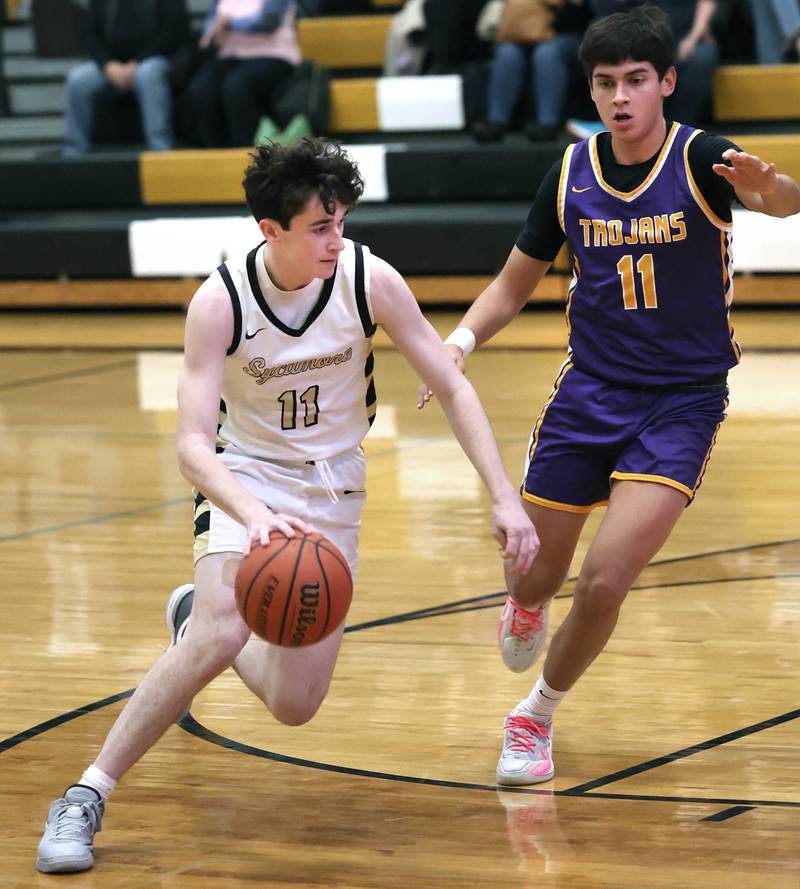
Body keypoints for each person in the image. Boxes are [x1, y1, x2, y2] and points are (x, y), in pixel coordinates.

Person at [34, 137, 539, 874]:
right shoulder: (220, 302)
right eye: (320, 227)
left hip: (334, 488)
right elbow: (193, 447)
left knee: (296, 703)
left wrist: (504, 497)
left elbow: (454, 386)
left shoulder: (369, 277)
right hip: (247, 476)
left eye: (342, 222)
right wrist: (253, 510)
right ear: (270, 230)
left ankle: (191, 611)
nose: (338, 239)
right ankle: (86, 793)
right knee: (220, 629)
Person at [420, 3, 800, 786]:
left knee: (606, 577)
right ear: (590, 92)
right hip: (587, 394)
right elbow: (511, 284)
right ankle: (526, 603)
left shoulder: (701, 159)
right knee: (533, 570)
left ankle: (535, 715)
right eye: (604, 84)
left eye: (636, 80)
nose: (621, 96)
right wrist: (454, 347)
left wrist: (775, 189)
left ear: (667, 82)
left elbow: (777, 200)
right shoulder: (568, 173)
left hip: (683, 403)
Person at [62, 0, 190, 156]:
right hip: (112, 64)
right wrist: (107, 65)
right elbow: (88, 34)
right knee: (77, 80)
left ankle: (160, 149)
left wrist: (137, 63)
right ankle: (74, 151)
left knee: (147, 74)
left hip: (156, 58)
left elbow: (173, 31)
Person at [184, 0, 303, 148]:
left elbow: (268, 21)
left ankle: (245, 151)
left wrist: (230, 23)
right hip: (230, 55)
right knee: (200, 89)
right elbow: (211, 23)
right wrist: (211, 33)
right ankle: (216, 154)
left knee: (236, 87)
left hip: (273, 54)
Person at [473, 0, 592, 143]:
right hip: (524, 32)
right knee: (507, 54)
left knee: (547, 54)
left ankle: (547, 123)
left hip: (569, 32)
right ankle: (496, 122)